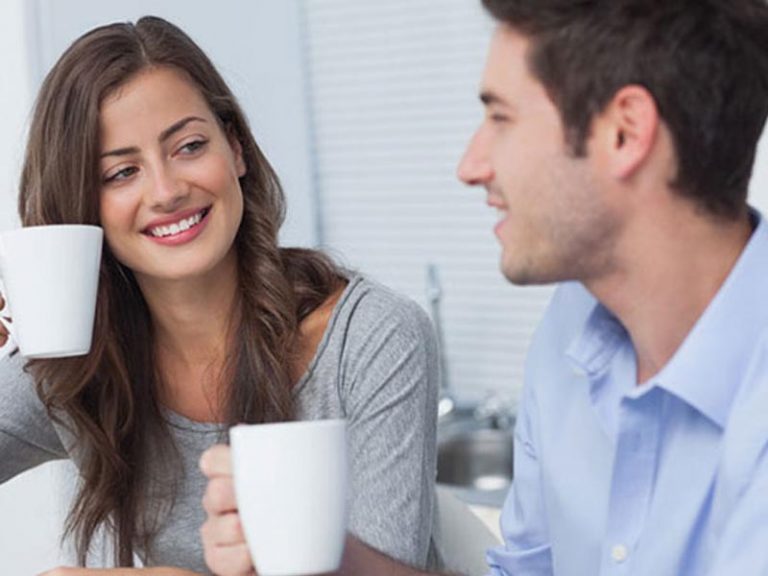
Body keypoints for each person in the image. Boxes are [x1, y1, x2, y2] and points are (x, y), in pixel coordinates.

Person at [200, 0, 768, 575]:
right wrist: (331, 560)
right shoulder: (573, 323)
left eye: (501, 118)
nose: (470, 165)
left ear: (625, 132)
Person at [0, 15, 441, 575]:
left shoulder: (371, 339)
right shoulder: (76, 365)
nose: (167, 191)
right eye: (121, 173)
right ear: (82, 208)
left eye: (189, 146)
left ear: (235, 149)